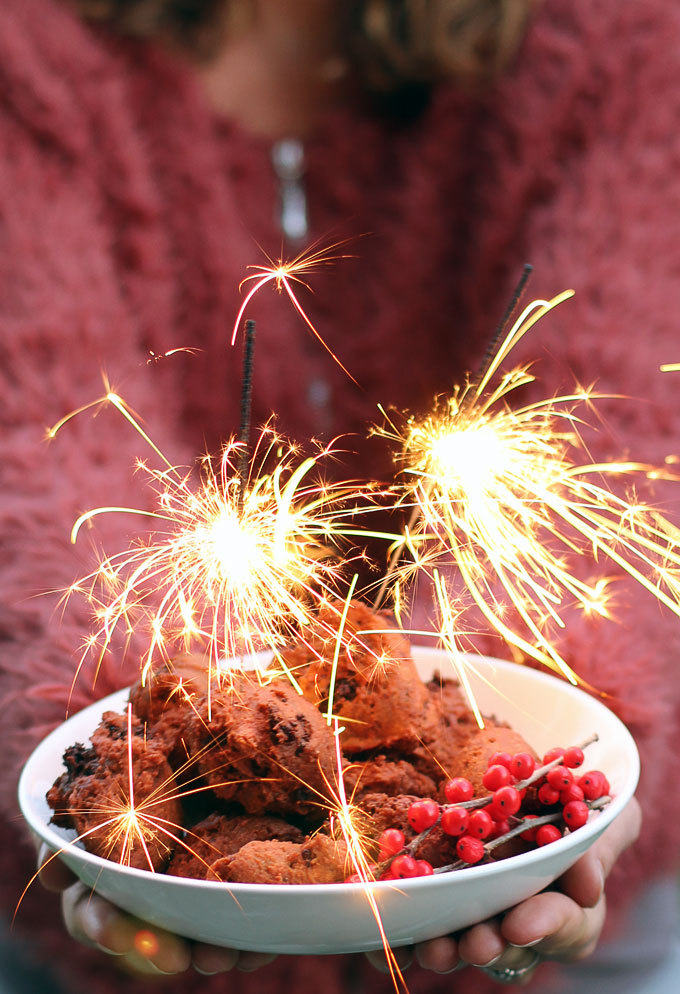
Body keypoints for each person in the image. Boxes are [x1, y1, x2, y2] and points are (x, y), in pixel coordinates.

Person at [1, 0, 679, 991]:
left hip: (573, 941)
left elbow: (625, 409)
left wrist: (532, 766)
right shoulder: (26, 49)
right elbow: (38, 428)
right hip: (99, 948)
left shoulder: (619, 34)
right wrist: (136, 715)